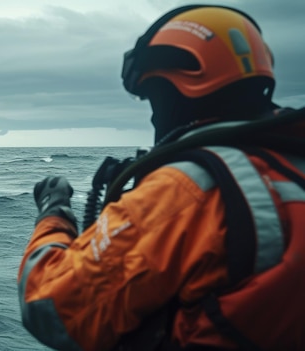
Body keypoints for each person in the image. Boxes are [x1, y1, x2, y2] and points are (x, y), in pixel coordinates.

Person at [18, 5, 305, 351]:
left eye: (155, 97)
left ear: (179, 88)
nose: (155, 119)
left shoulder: (186, 189)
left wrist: (53, 211)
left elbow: (51, 309)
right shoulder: (290, 166)